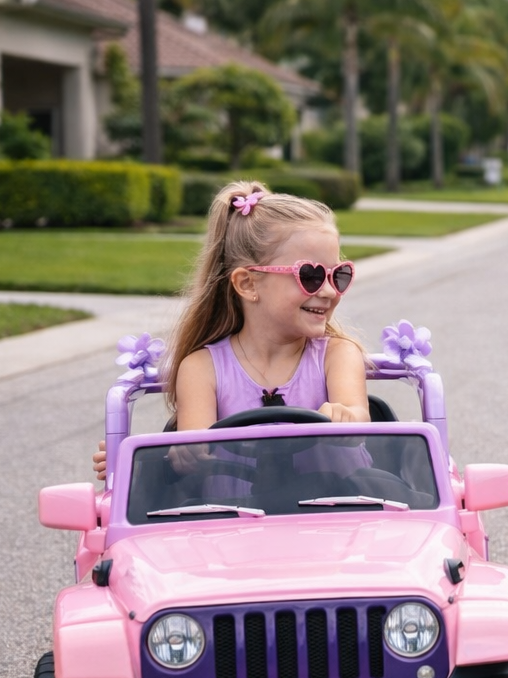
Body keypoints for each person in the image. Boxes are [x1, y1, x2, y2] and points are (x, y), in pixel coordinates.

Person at [94, 181, 368, 479]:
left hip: (336, 502)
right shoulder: (202, 368)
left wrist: (346, 418)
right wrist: (168, 457)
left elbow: (358, 418)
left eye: (338, 275)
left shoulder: (337, 355)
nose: (329, 291)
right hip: (232, 507)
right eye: (310, 276)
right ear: (247, 284)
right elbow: (194, 458)